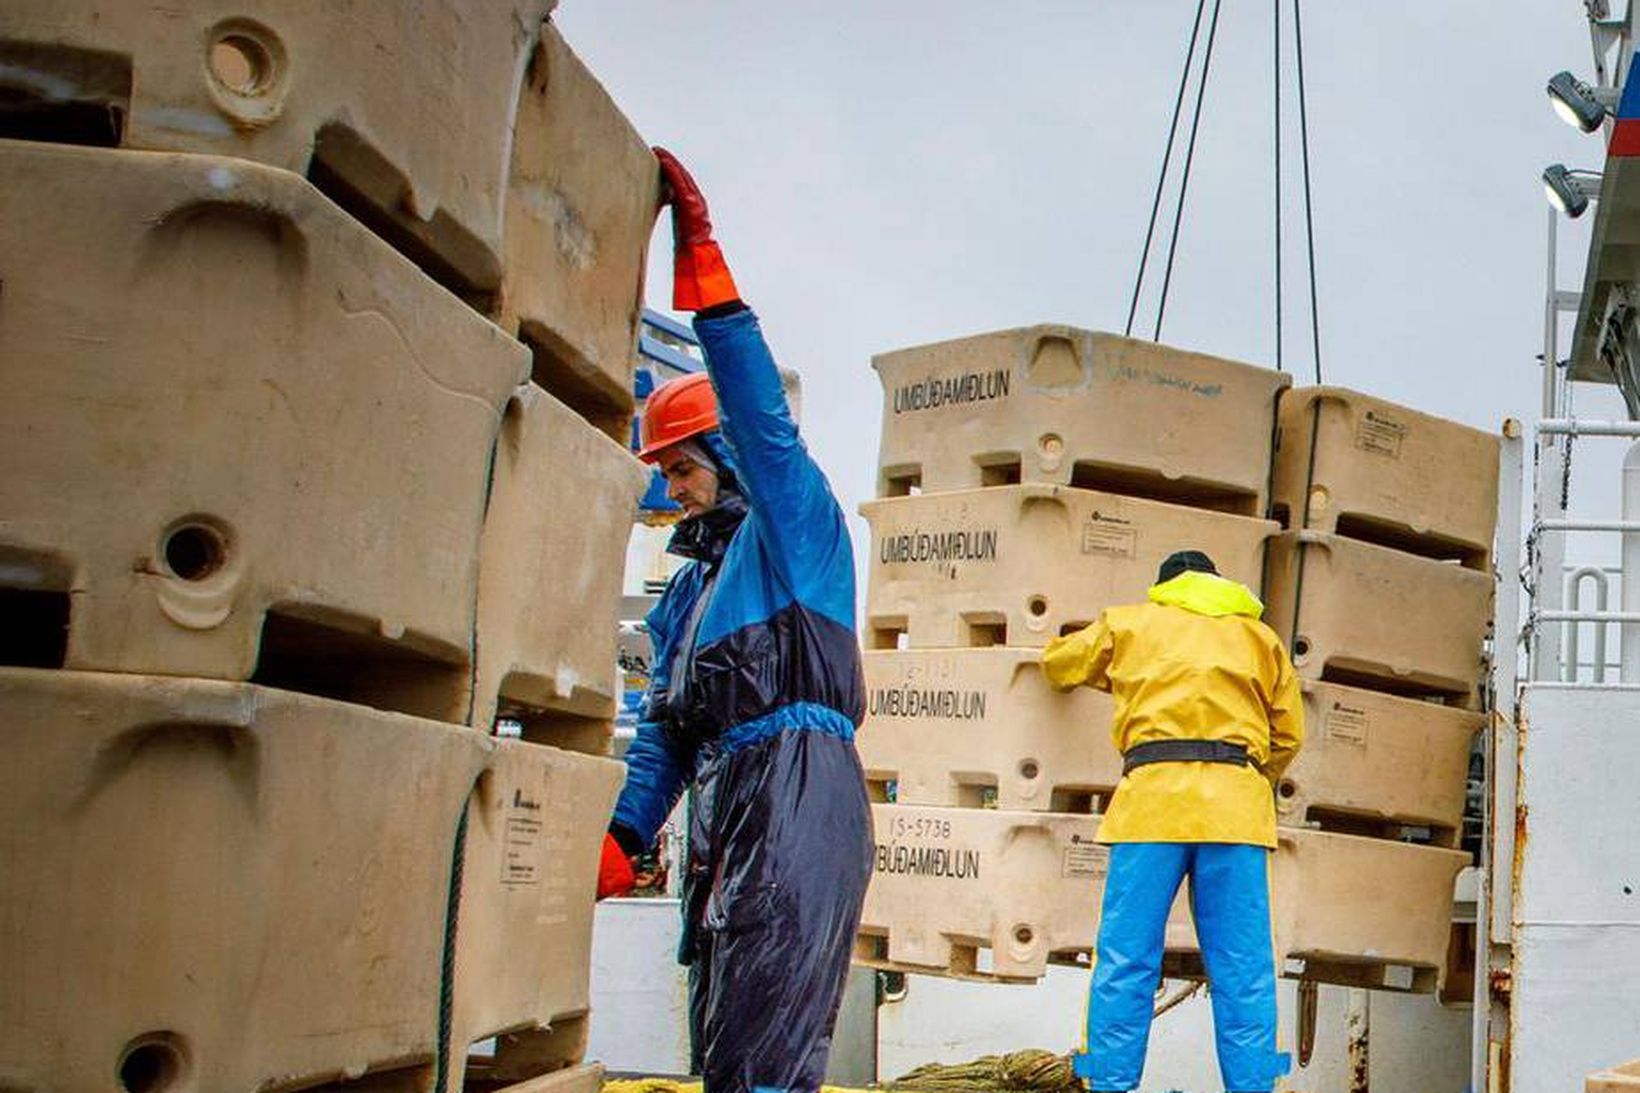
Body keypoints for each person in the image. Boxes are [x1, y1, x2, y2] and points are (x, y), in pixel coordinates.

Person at [596, 147, 873, 1093]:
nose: (671, 491)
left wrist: (707, 275)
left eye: (681, 467)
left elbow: (765, 420)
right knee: (721, 1056)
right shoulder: (688, 593)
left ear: (722, 449)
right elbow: (665, 735)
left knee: (762, 1062)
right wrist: (624, 838)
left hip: (800, 799)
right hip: (725, 807)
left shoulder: (793, 525)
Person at [1040, 549, 1304, 1093]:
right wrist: (1250, 778)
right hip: (1235, 815)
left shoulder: (1130, 623)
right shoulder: (1261, 640)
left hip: (1150, 809)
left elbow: (1059, 665)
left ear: (1164, 587)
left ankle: (1109, 1083)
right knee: (1242, 966)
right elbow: (1289, 736)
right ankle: (1253, 1086)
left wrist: (1127, 680)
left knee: (1126, 956)